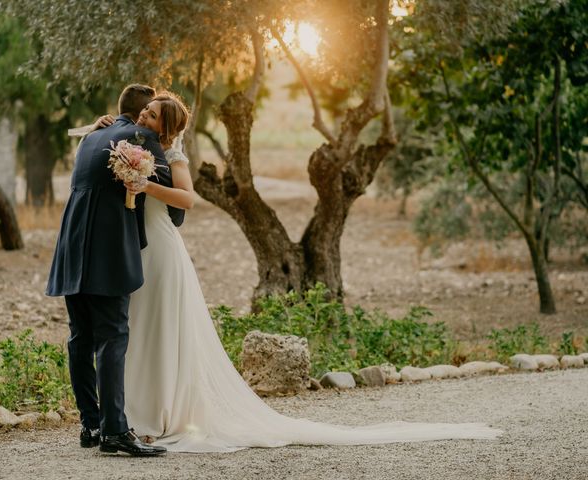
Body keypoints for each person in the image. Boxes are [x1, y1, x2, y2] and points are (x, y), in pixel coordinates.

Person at [117, 93, 502, 453]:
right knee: (141, 326)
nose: (142, 116)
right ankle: (134, 414)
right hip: (143, 248)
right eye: (144, 111)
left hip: (164, 250)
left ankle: (156, 419)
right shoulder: (138, 145)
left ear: (166, 126)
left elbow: (187, 199)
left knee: (160, 330)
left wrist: (145, 184)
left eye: (151, 113)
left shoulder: (174, 157)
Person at [45, 84, 184, 457]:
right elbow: (177, 205)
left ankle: (90, 424)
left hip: (72, 246)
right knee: (112, 336)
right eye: (149, 112)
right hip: (108, 251)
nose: (148, 120)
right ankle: (115, 433)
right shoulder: (143, 138)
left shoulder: (91, 137)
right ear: (143, 115)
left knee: (81, 338)